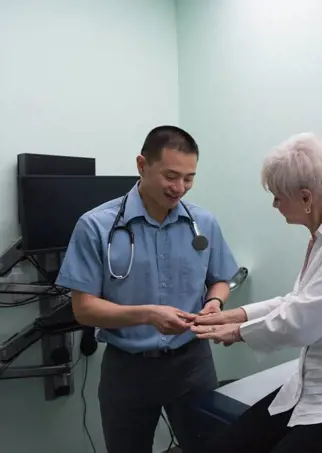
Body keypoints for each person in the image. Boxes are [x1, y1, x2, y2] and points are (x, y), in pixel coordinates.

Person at [192, 132, 322, 453]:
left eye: (278, 196)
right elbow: (296, 302)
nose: (275, 204)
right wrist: (232, 314)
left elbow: (303, 320)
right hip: (312, 386)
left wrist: (236, 332)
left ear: (306, 197)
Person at [55, 125, 240, 453]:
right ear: (142, 165)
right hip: (127, 369)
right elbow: (84, 309)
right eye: (171, 176)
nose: (180, 188)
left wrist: (214, 301)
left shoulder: (204, 222)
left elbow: (220, 279)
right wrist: (148, 315)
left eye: (189, 178)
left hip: (191, 364)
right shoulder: (96, 226)